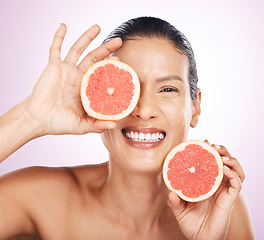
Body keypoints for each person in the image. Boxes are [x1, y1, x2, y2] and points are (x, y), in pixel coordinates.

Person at [0, 17, 255, 239]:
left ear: (195, 107)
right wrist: (31, 117)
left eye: (167, 89)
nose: (144, 111)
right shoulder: (41, 199)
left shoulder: (220, 207)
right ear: (96, 99)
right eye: (128, 88)